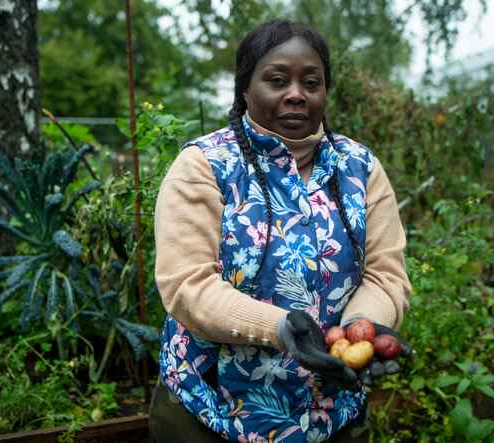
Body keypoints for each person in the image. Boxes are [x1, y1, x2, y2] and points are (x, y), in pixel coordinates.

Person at [150, 18, 412, 443]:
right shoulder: (205, 166)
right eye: (277, 80)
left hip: (332, 412)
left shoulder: (359, 168)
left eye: (312, 82)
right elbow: (187, 284)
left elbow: (386, 274)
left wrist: (361, 329)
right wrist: (282, 327)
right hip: (210, 410)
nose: (296, 94)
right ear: (245, 88)